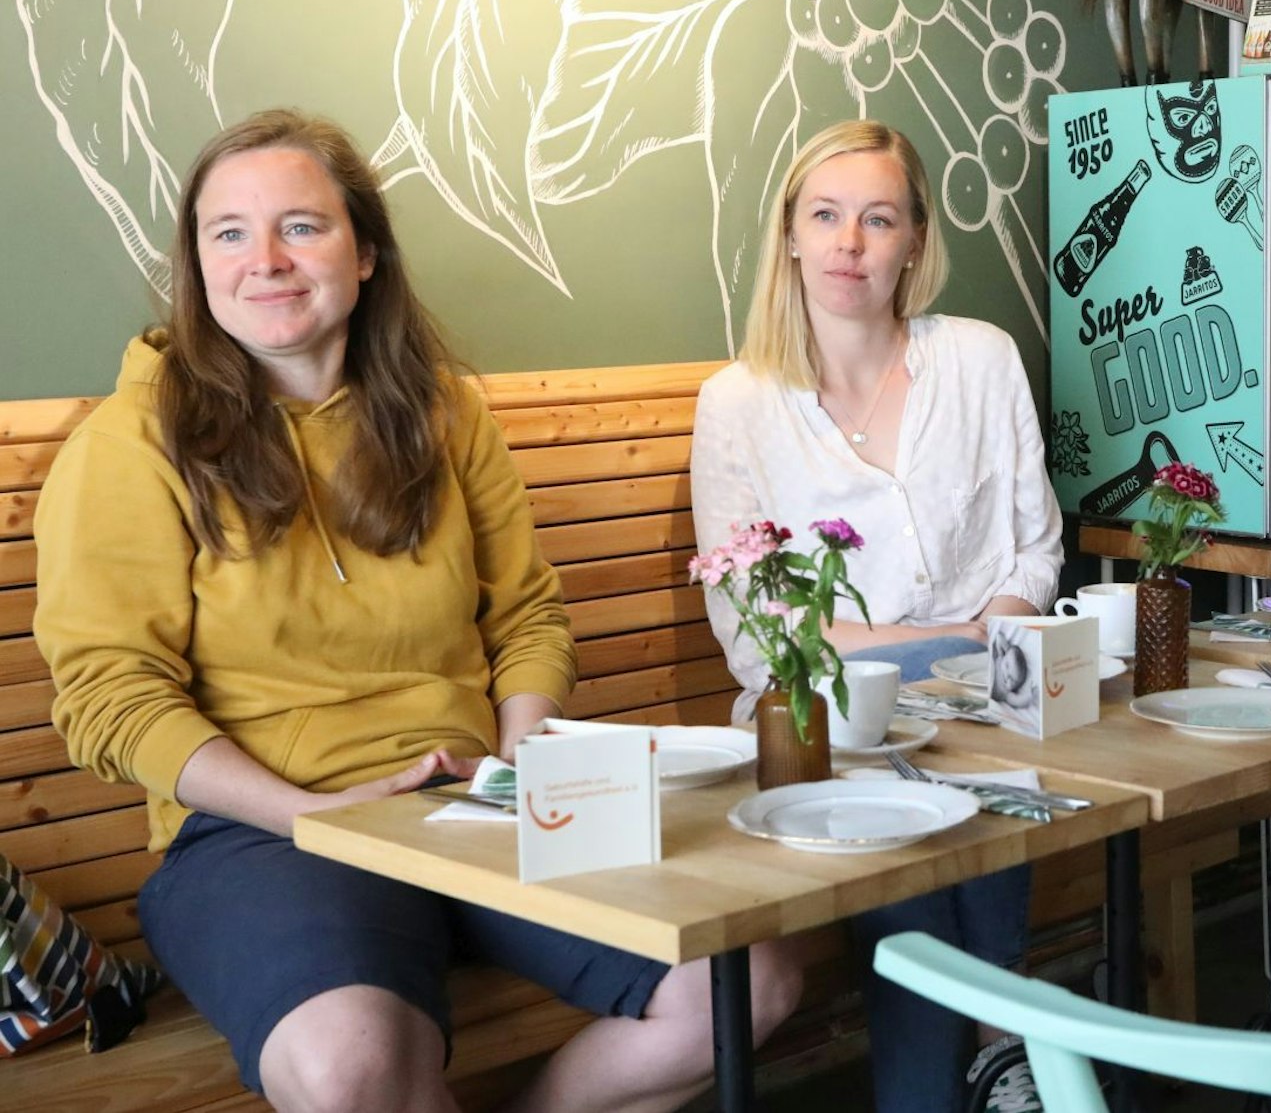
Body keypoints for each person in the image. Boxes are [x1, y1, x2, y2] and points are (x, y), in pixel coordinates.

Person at [32, 110, 803, 1112]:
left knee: (747, 984)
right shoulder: (134, 443)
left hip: (467, 808)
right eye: (227, 233)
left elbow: (526, 618)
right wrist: (310, 811)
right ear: (196, 265)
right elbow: (109, 698)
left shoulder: (444, 414)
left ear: (365, 255)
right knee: (358, 1070)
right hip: (264, 834)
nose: (263, 260)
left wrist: (513, 768)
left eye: (300, 227)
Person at [690, 119, 1061, 1112]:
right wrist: (950, 651)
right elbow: (756, 630)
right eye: (826, 215)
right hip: (816, 720)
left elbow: (1034, 546)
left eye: (877, 218)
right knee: (910, 800)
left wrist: (988, 647)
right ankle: (1003, 1040)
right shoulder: (738, 403)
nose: (849, 241)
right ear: (790, 237)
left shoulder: (979, 361)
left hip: (982, 701)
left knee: (964, 764)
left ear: (913, 242)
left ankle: (976, 1062)